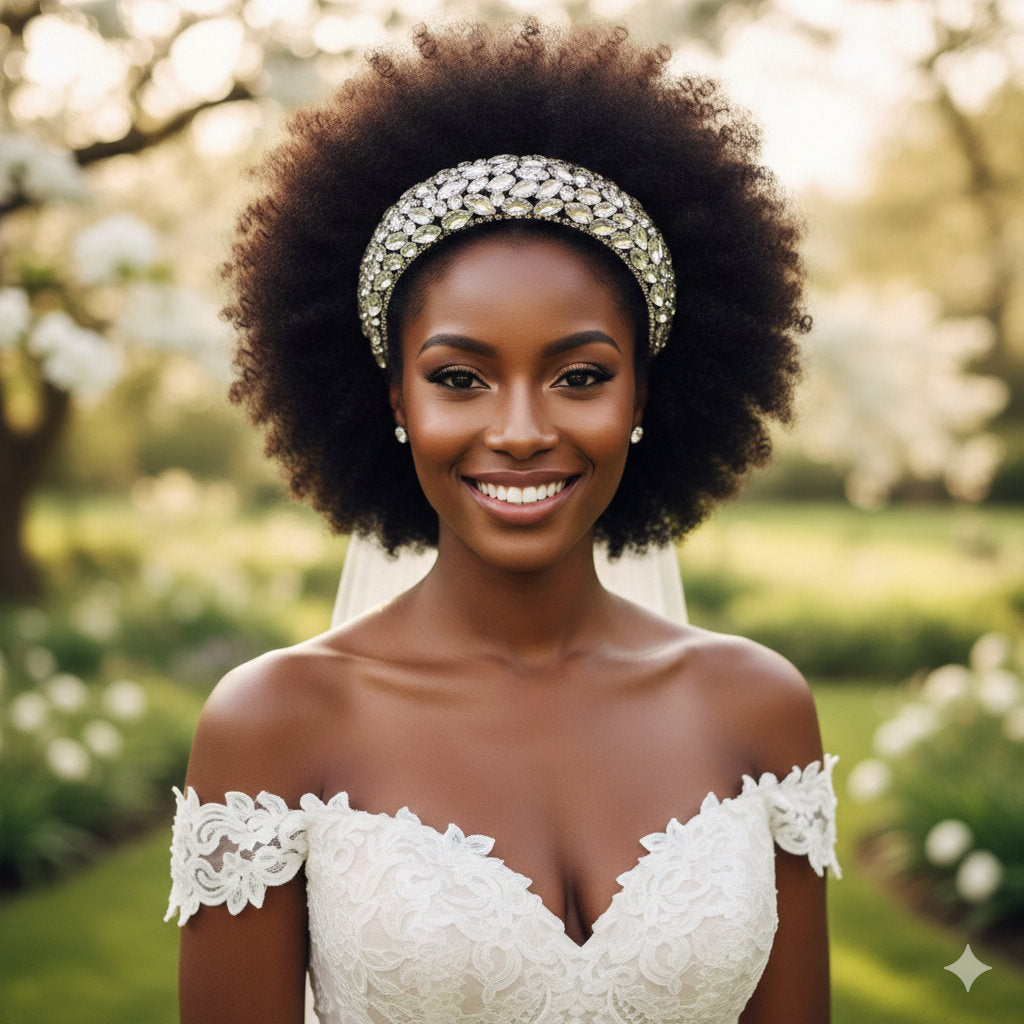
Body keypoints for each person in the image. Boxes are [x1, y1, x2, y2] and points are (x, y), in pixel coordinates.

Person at [166, 20, 840, 1024]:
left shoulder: (757, 710)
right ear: (394, 400)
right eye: (458, 378)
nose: (521, 431)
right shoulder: (272, 726)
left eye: (579, 376)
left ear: (645, 394)